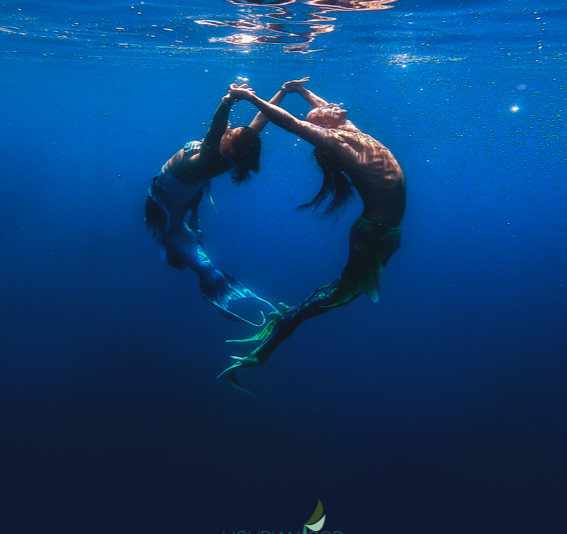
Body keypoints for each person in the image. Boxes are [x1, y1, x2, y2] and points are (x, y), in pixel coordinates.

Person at [220, 78, 405, 391]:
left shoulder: (347, 129)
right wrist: (249, 99)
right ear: (324, 126)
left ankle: (285, 321)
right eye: (325, 109)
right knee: (337, 295)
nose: (331, 105)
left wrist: (301, 91)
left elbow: (319, 110)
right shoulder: (335, 141)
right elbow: (288, 120)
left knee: (341, 291)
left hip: (386, 231)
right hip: (373, 233)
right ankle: (270, 341)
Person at [145, 82, 306, 326]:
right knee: (177, 230)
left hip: (165, 198)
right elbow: (262, 119)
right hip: (182, 193)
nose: (228, 130)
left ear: (229, 146)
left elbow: (214, 129)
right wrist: (284, 90)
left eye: (231, 134)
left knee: (173, 231)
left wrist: (228, 100)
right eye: (231, 130)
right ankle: (212, 277)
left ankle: (211, 279)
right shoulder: (233, 153)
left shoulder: (210, 158)